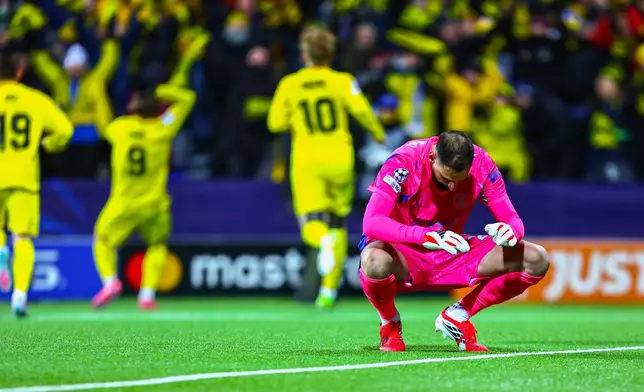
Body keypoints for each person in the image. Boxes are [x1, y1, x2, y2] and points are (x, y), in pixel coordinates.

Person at [359, 130, 550, 352]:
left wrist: (511, 232)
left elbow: (513, 220)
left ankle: (458, 315)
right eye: (445, 179)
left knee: (536, 258)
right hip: (404, 253)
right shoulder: (404, 160)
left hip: (451, 252)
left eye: (459, 181)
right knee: (373, 258)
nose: (451, 187)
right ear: (432, 157)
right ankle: (390, 323)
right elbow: (371, 223)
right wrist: (424, 236)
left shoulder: (482, 165)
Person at [268, 25, 386, 309]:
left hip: (308, 159)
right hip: (340, 157)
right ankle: (328, 291)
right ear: (331, 54)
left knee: (312, 224)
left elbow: (275, 122)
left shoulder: (290, 84)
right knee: (336, 221)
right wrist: (379, 133)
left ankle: (321, 245)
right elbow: (362, 111)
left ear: (304, 54)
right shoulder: (342, 80)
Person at [91, 83, 195, 311]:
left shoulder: (120, 128)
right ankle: (147, 296)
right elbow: (187, 98)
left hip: (123, 203)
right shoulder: (163, 129)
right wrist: (163, 90)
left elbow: (101, 121)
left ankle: (110, 282)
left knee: (102, 240)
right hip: (155, 204)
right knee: (156, 244)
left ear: (134, 107)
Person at [0, 52, 74, 317]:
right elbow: (66, 129)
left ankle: (0, 252)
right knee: (23, 238)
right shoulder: (35, 99)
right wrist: (48, 144)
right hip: (23, 178)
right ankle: (19, 297)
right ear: (18, 73)